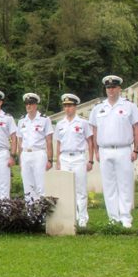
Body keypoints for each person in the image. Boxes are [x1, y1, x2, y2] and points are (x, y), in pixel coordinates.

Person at [89, 76, 138, 228]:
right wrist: (97, 152)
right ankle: (113, 217)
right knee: (109, 185)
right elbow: (94, 130)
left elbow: (136, 128)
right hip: (105, 150)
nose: (110, 90)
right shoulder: (98, 108)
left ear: (119, 89)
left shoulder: (129, 106)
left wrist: (136, 149)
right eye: (108, 88)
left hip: (123, 149)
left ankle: (125, 217)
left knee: (125, 184)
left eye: (113, 87)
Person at [55, 94, 95, 228]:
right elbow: (58, 143)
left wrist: (90, 160)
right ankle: (69, 216)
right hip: (65, 157)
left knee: (81, 189)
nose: (68, 108)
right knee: (66, 189)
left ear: (75, 107)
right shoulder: (60, 124)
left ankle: (82, 218)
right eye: (65, 106)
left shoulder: (83, 122)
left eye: (70, 106)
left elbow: (90, 141)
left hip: (78, 157)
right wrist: (58, 161)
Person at [16, 93, 53, 198]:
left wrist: (50, 160)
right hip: (25, 154)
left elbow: (49, 141)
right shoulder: (22, 121)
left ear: (36, 105)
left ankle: (41, 213)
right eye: (27, 104)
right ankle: (30, 213)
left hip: (38, 153)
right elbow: (20, 141)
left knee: (40, 185)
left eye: (31, 103)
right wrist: (20, 160)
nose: (28, 106)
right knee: (27, 186)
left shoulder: (44, 119)